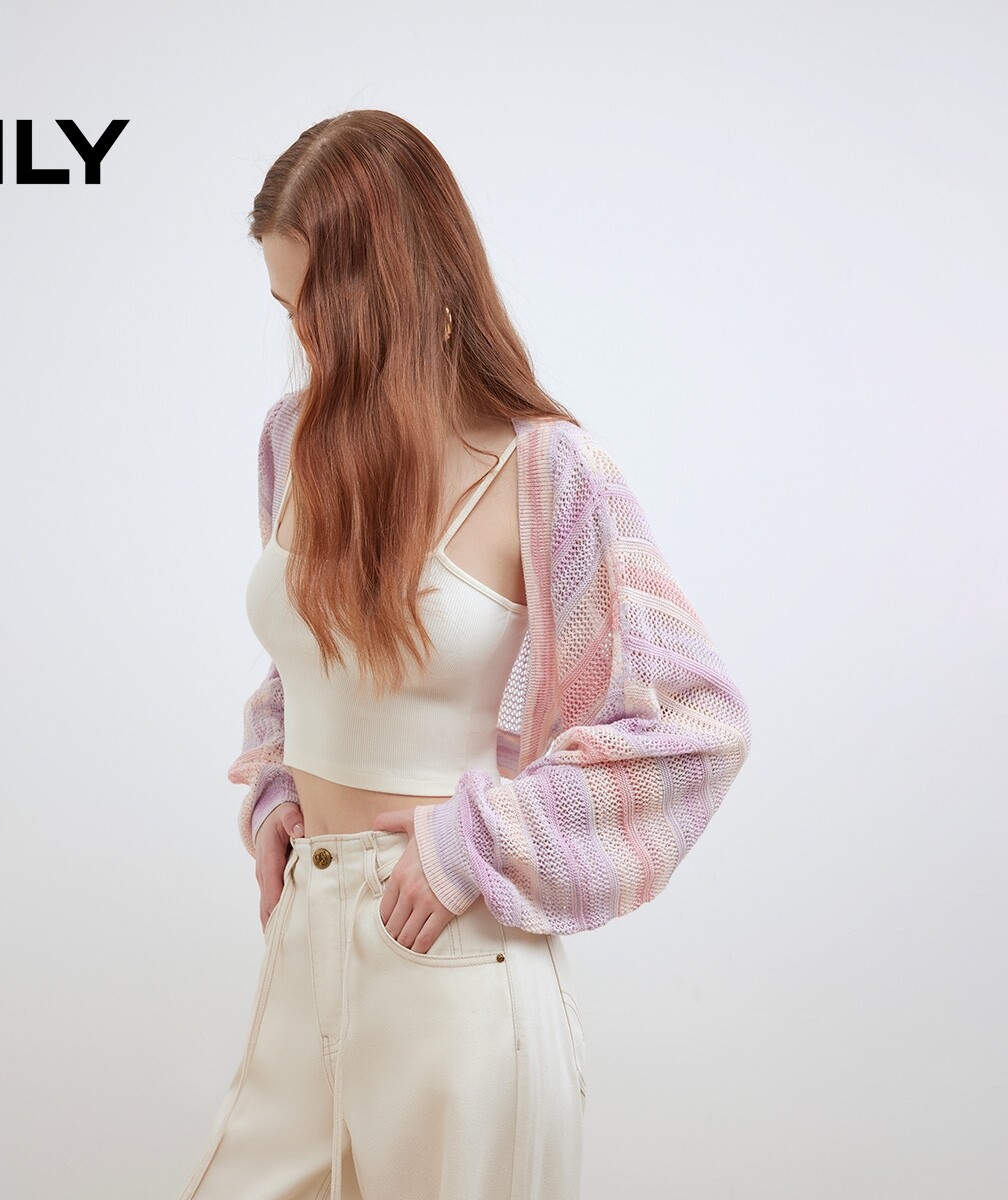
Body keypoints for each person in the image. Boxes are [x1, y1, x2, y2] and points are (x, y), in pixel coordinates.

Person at [177, 109, 752, 1200]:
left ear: (391, 292)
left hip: (451, 954)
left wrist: (474, 839)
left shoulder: (548, 471)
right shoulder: (293, 442)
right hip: (306, 947)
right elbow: (306, 664)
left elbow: (699, 725)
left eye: (319, 311)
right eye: (286, 311)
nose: (305, 342)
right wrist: (278, 794)